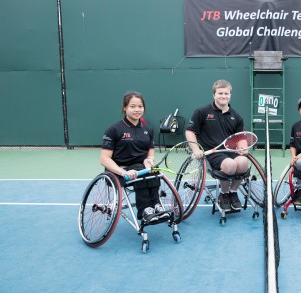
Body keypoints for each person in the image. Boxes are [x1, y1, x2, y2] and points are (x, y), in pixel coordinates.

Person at [100, 91, 169, 224]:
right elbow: (104, 159)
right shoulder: (114, 129)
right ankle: (145, 210)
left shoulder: (148, 129)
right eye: (132, 106)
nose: (137, 110)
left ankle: (156, 205)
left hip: (140, 167)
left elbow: (150, 152)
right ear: (124, 108)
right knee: (140, 171)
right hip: (119, 170)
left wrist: (149, 161)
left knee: (154, 170)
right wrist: (123, 172)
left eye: (140, 106)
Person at [185, 79, 249, 212]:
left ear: (230, 95)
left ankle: (233, 192)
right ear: (214, 95)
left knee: (243, 163)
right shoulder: (201, 112)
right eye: (220, 93)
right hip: (212, 152)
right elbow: (190, 131)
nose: (223, 96)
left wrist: (243, 147)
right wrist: (196, 150)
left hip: (230, 150)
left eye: (226, 93)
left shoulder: (236, 116)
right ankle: (224, 194)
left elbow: (241, 137)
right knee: (230, 165)